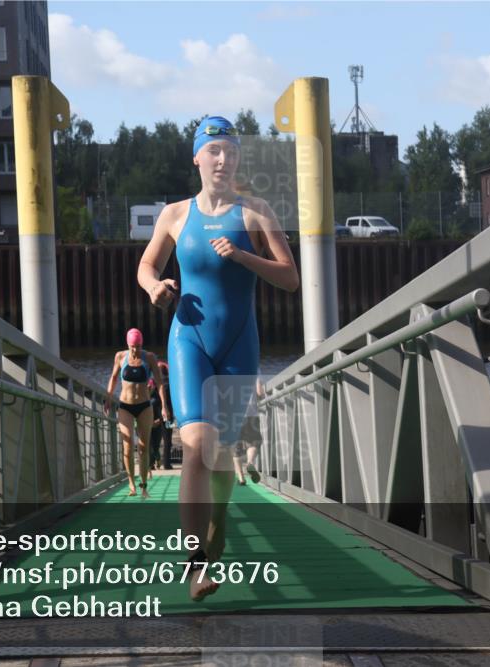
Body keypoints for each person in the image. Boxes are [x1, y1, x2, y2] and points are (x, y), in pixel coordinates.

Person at [137, 115, 298, 601]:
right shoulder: (174, 214)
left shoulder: (256, 212)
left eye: (230, 151)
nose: (222, 159)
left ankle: (220, 516)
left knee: (223, 454)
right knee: (196, 444)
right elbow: (147, 264)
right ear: (197, 158)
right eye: (214, 151)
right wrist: (155, 288)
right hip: (189, 340)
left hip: (238, 344)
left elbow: (290, 278)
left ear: (238, 158)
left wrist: (242, 257)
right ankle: (195, 564)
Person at [106, 328, 170, 498]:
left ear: (142, 344)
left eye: (138, 346)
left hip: (144, 406)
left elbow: (159, 383)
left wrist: (164, 406)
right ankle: (131, 484)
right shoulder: (120, 356)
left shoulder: (149, 358)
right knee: (127, 446)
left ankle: (143, 485)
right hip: (125, 406)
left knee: (143, 447)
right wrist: (107, 398)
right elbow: (113, 378)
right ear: (128, 344)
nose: (135, 350)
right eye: (133, 346)